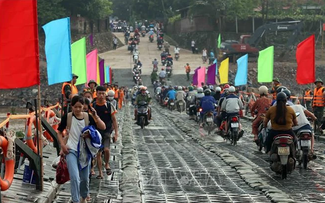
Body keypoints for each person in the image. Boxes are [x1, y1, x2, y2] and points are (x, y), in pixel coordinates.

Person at [57, 95, 106, 203]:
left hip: (85, 152)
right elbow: (59, 132)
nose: (78, 109)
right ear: (72, 106)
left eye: (80, 107)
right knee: (74, 177)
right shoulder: (68, 117)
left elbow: (103, 127)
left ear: (83, 106)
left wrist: (95, 116)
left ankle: (84, 197)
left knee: (84, 179)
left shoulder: (88, 117)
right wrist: (63, 145)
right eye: (75, 107)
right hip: (71, 150)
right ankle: (75, 200)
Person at [92, 86, 118, 179]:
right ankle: (100, 173)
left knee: (106, 150)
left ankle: (107, 164)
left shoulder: (109, 105)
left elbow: (114, 120)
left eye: (103, 94)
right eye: (99, 93)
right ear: (96, 93)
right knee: (98, 153)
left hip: (107, 131)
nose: (101, 96)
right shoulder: (93, 105)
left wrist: (116, 133)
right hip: (96, 132)